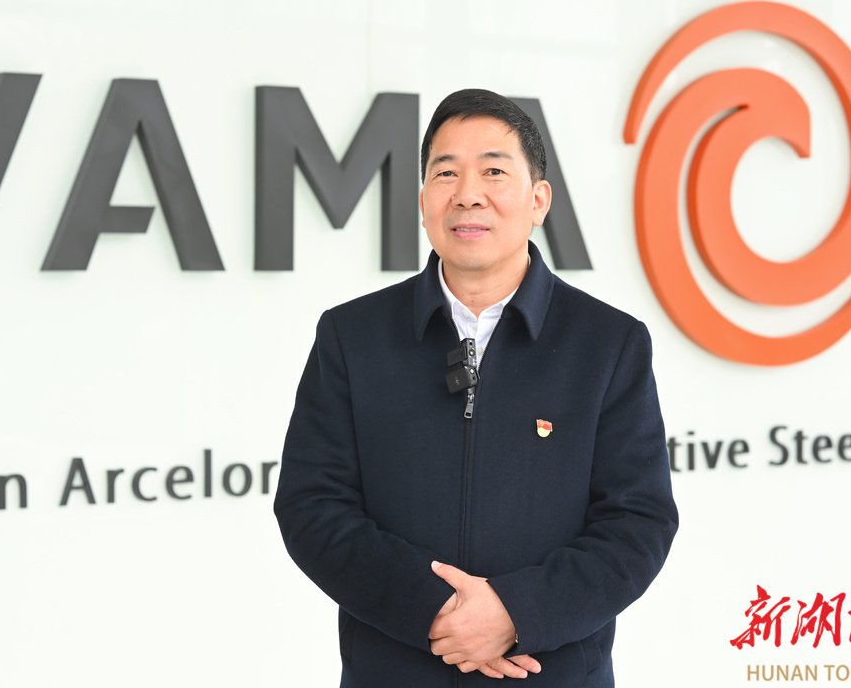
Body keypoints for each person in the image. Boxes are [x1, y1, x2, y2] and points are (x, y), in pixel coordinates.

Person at [274, 88, 678, 686]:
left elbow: (638, 521)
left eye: (494, 171)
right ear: (423, 203)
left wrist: (516, 614)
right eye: (446, 173)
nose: (468, 193)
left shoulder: (609, 343)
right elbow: (311, 505)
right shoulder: (351, 336)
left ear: (538, 200)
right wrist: (438, 613)